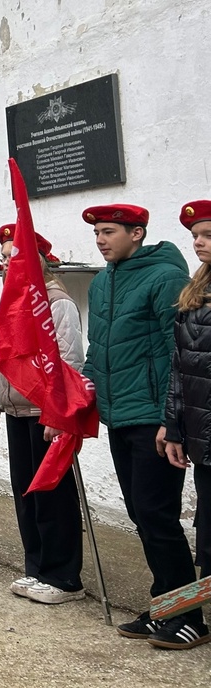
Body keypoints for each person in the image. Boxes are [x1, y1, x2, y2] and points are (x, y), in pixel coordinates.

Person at [78, 203, 198, 646]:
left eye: (109, 232)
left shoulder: (164, 277)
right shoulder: (105, 280)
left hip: (154, 419)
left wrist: (173, 420)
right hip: (119, 415)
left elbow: (179, 353)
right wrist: (82, 395)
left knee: (157, 515)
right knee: (141, 514)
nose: (101, 240)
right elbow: (100, 348)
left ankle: (188, 616)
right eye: (97, 234)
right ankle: (164, 606)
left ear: (138, 233)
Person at [0, 225, 85, 604]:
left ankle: (63, 577)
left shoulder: (57, 303)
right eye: (5, 257)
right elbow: (2, 362)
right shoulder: (12, 302)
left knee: (52, 494)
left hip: (46, 413)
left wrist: (58, 413)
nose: (7, 262)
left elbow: (68, 361)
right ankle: (37, 567)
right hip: (17, 411)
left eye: (15, 255)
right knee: (25, 491)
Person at [158, 199, 211, 649]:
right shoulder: (197, 291)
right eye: (196, 235)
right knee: (208, 538)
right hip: (202, 436)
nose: (198, 242)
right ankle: (186, 617)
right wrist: (174, 429)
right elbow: (180, 368)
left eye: (208, 235)